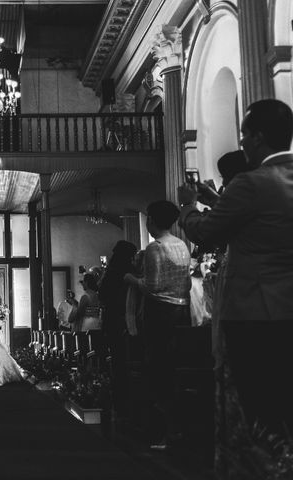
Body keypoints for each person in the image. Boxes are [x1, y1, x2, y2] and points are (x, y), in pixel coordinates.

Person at [178, 99, 293, 475]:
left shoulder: (251, 183)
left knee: (256, 408)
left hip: (256, 312)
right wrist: (220, 200)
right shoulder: (272, 181)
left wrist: (191, 206)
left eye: (245, 135)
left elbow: (205, 233)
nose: (242, 142)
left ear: (258, 138)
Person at [125, 200, 191, 450]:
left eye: (148, 218)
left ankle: (164, 432)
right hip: (181, 311)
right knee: (175, 368)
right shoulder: (182, 245)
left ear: (151, 220)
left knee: (158, 369)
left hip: (160, 313)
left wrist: (131, 278)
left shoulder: (156, 247)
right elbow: (186, 284)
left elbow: (152, 287)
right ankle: (178, 430)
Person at [99, 240, 138, 420]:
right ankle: (127, 401)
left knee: (118, 361)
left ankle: (119, 400)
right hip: (124, 319)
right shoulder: (127, 272)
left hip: (113, 320)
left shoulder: (111, 273)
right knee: (124, 360)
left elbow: (103, 295)